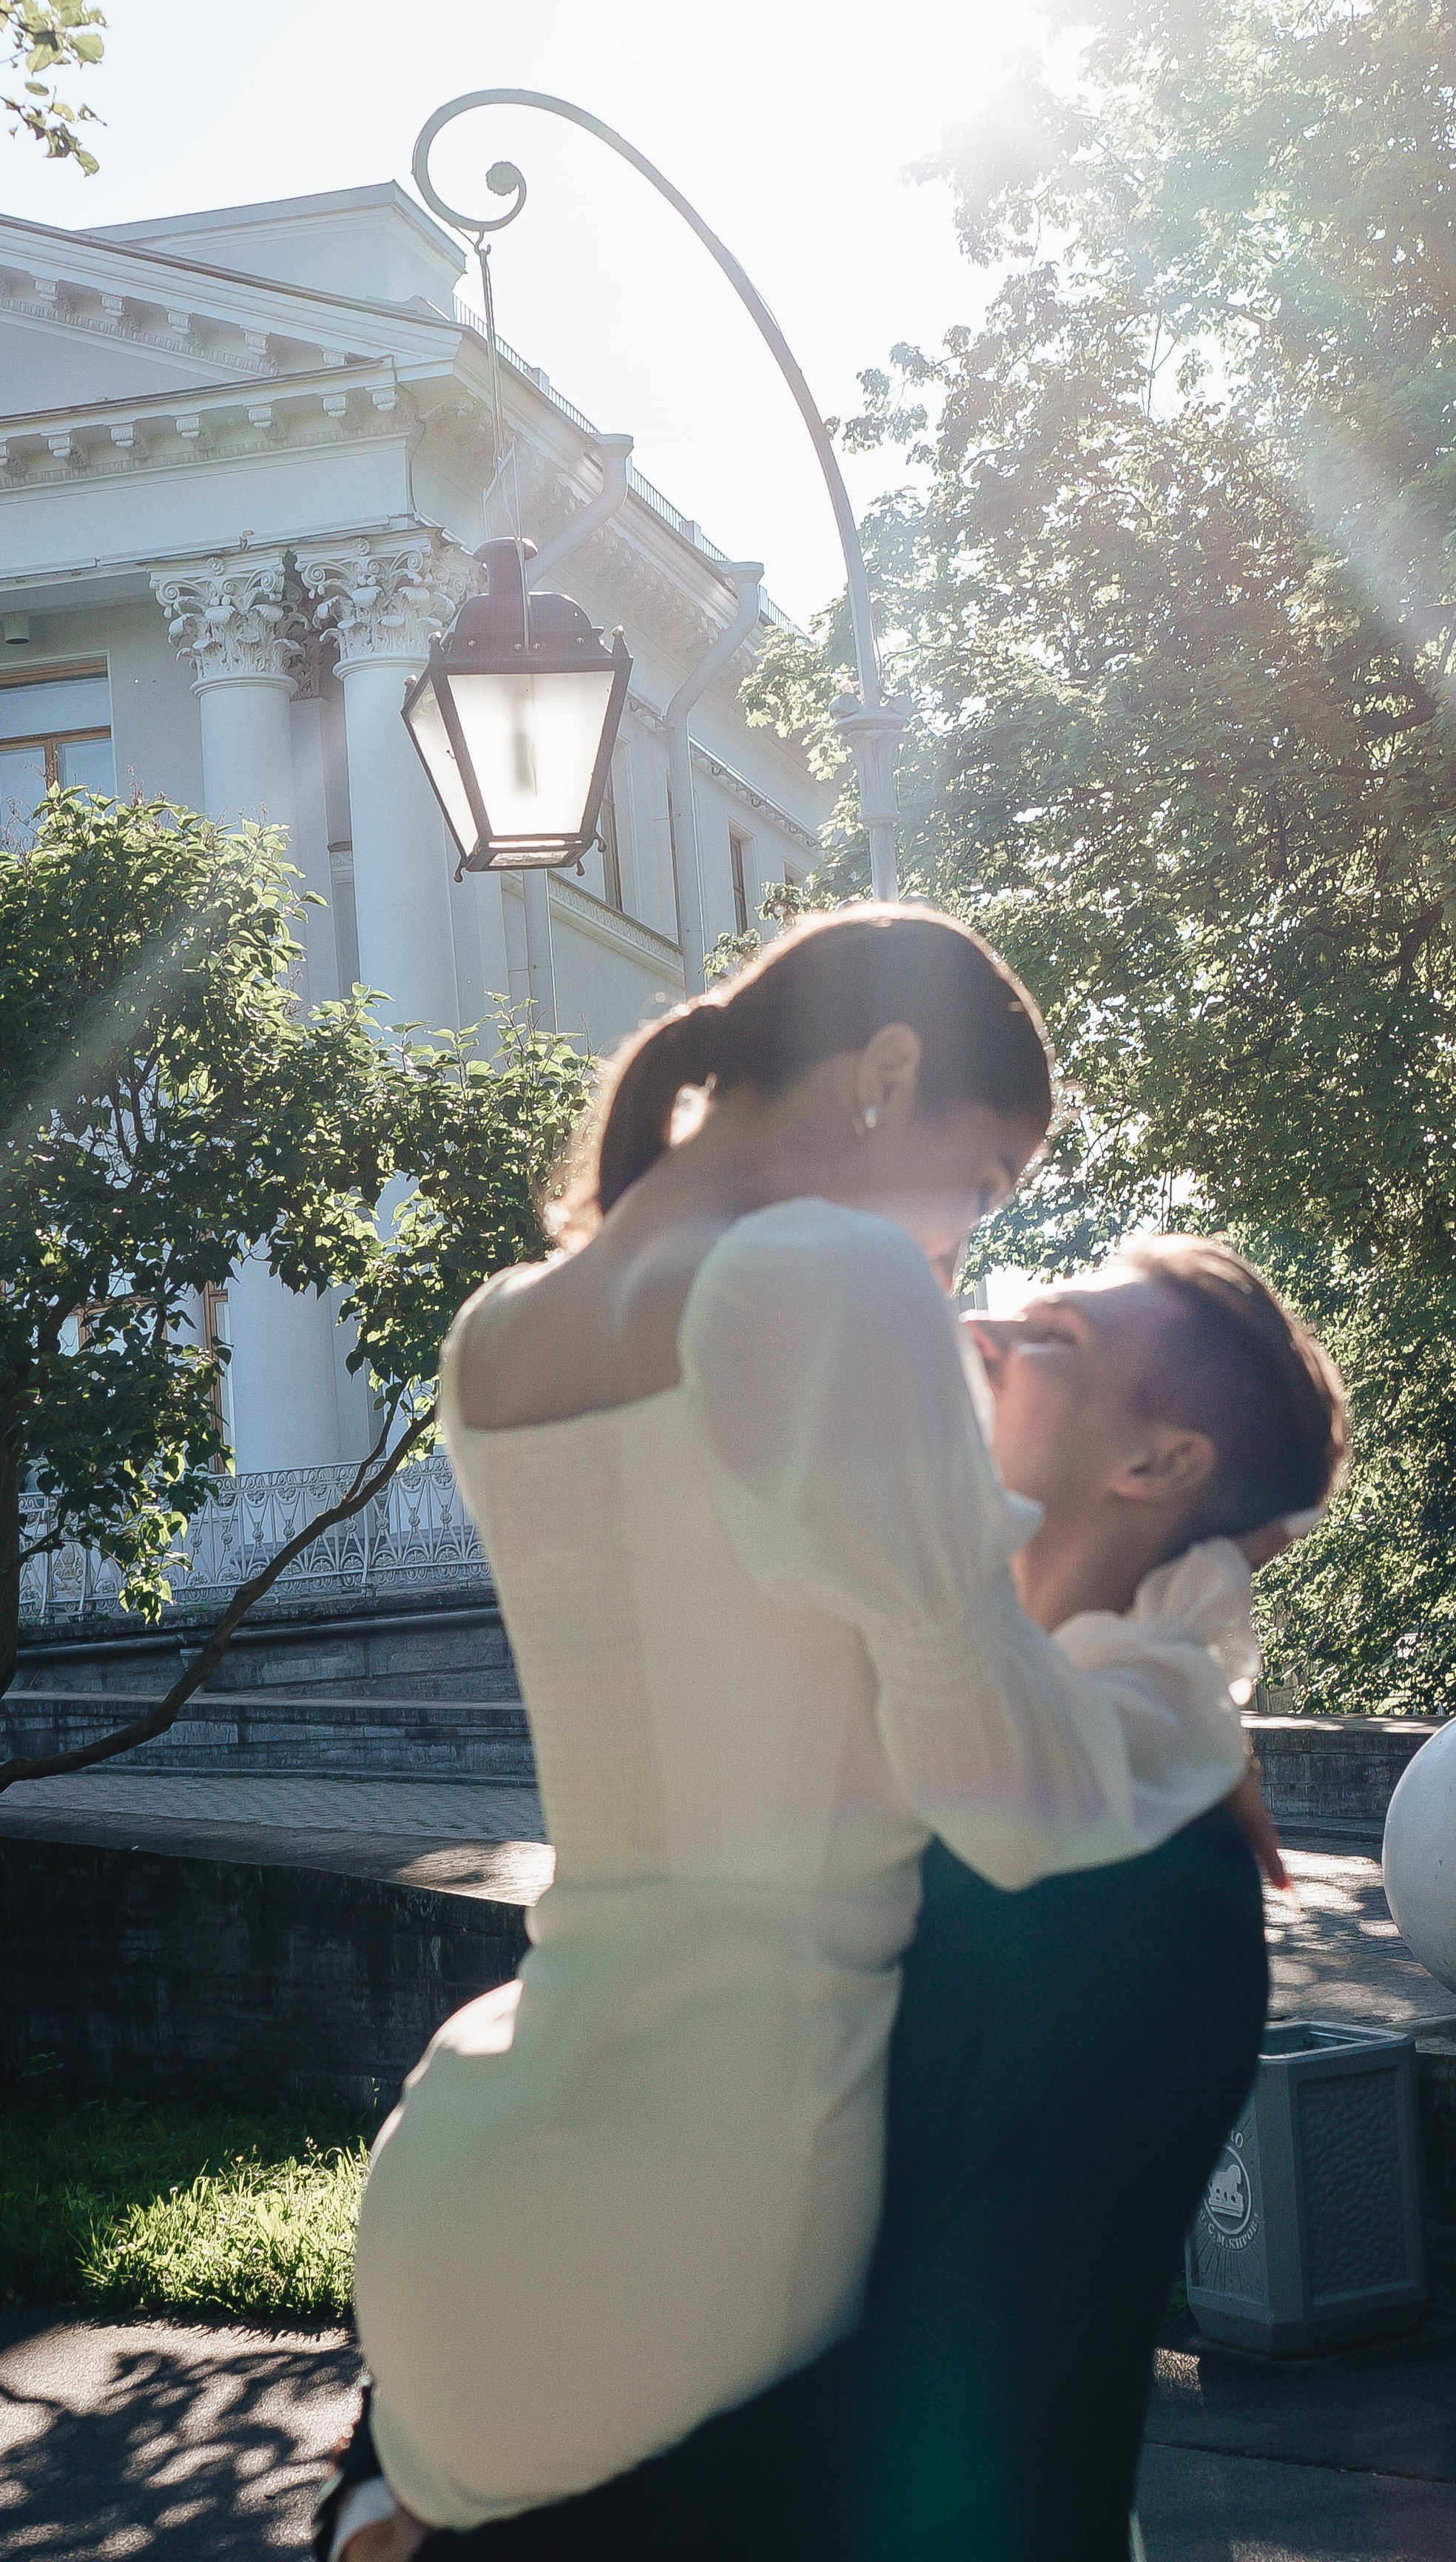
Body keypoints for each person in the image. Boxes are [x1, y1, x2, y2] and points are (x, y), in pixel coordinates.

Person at [330, 906, 1275, 2557]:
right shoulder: (825, 1275)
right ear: (885, 1070)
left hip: (464, 2196)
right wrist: (1179, 1703)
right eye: (976, 1188)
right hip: (716, 2187)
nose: (961, 1263)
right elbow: (1005, 1796)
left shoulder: (497, 1332)